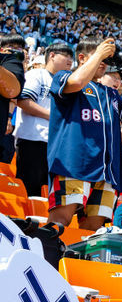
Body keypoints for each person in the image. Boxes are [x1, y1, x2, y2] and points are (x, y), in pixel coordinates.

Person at [48, 36, 122, 229]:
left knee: (92, 231)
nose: (105, 62)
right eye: (101, 56)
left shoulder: (112, 94)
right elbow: (76, 82)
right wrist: (100, 52)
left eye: (107, 58)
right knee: (61, 221)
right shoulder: (64, 77)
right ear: (82, 58)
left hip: (107, 171)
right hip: (74, 164)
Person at [13, 42, 73, 196]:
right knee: (29, 189)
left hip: (55, 144)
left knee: (48, 192)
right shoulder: (37, 74)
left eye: (71, 58)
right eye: (66, 55)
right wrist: (54, 117)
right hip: (33, 140)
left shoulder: (66, 84)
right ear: (51, 55)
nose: (70, 61)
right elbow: (24, 101)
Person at [0, 32, 27, 165]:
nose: (14, 49)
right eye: (10, 46)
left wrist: (9, 118)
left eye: (18, 47)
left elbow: (13, 95)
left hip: (9, 120)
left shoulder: (14, 65)